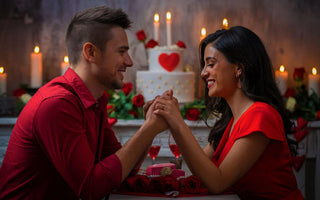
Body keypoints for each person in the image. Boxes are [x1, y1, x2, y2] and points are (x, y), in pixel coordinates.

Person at [0, 6, 166, 199]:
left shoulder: (96, 99)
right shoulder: (57, 104)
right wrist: (148, 130)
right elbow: (91, 188)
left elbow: (121, 173)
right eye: (121, 52)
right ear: (91, 53)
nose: (129, 62)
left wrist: (149, 126)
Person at [149, 26, 304, 199]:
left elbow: (217, 182)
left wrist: (177, 121)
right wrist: (170, 119)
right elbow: (200, 170)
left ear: (239, 68)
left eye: (211, 64)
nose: (203, 73)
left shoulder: (261, 115)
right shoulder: (231, 121)